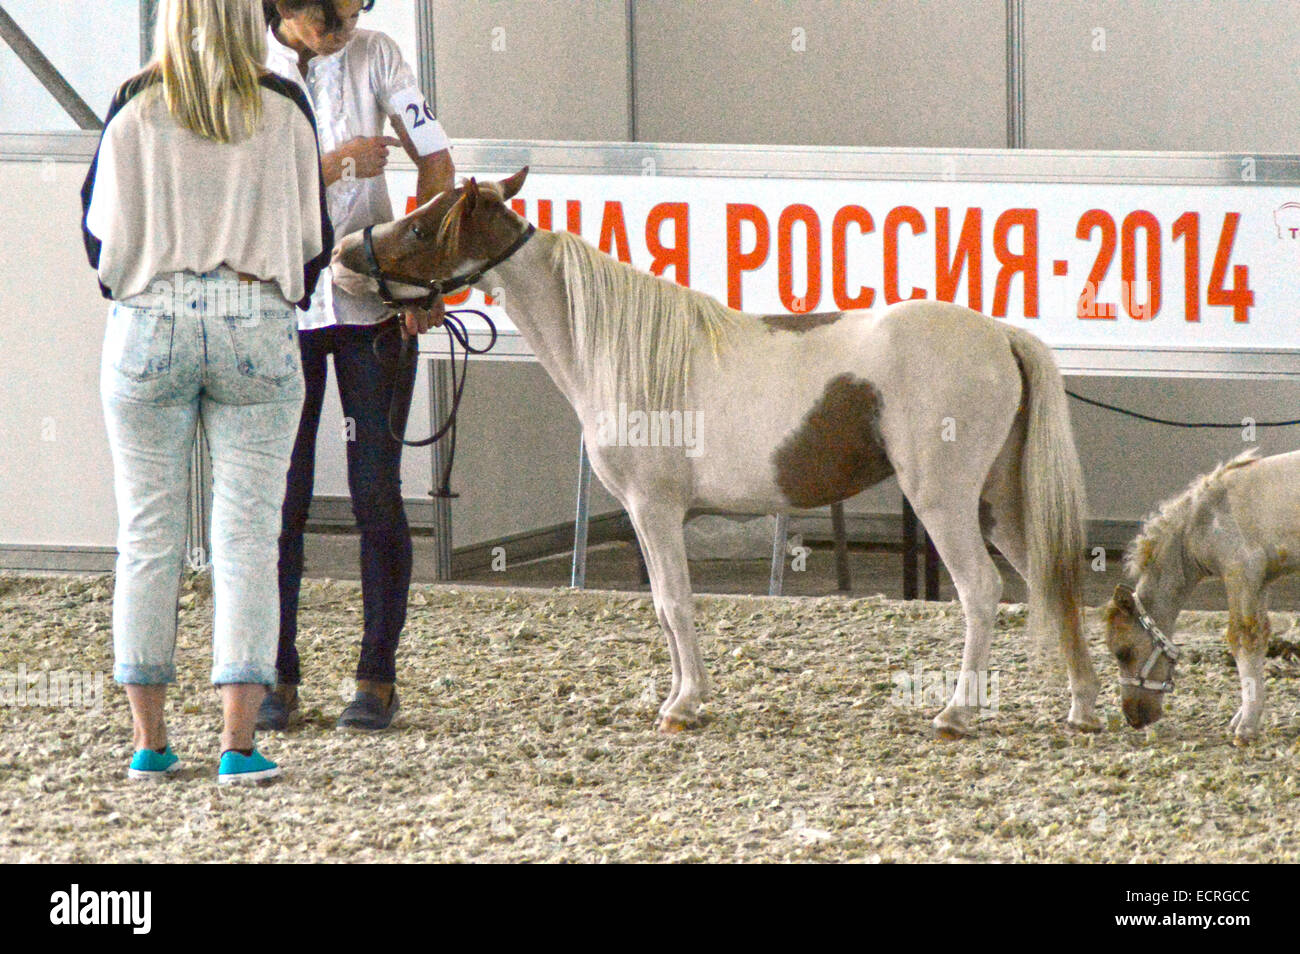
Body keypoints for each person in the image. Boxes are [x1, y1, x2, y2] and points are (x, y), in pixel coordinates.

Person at [83, 0, 333, 783]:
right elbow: (313, 241)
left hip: (148, 322)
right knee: (249, 537)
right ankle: (238, 744)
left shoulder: (133, 104)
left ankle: (149, 742)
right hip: (253, 323)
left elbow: (98, 238)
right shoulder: (284, 108)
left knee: (146, 535)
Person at [260, 0, 454, 732]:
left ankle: (376, 676)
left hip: (370, 305)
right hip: (282, 306)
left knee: (376, 490)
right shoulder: (249, 68)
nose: (345, 26)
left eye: (353, 9)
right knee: (280, 498)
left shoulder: (380, 55)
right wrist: (337, 163)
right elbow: (244, 187)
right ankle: (275, 672)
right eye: (330, 15)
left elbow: (436, 157)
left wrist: (421, 274)